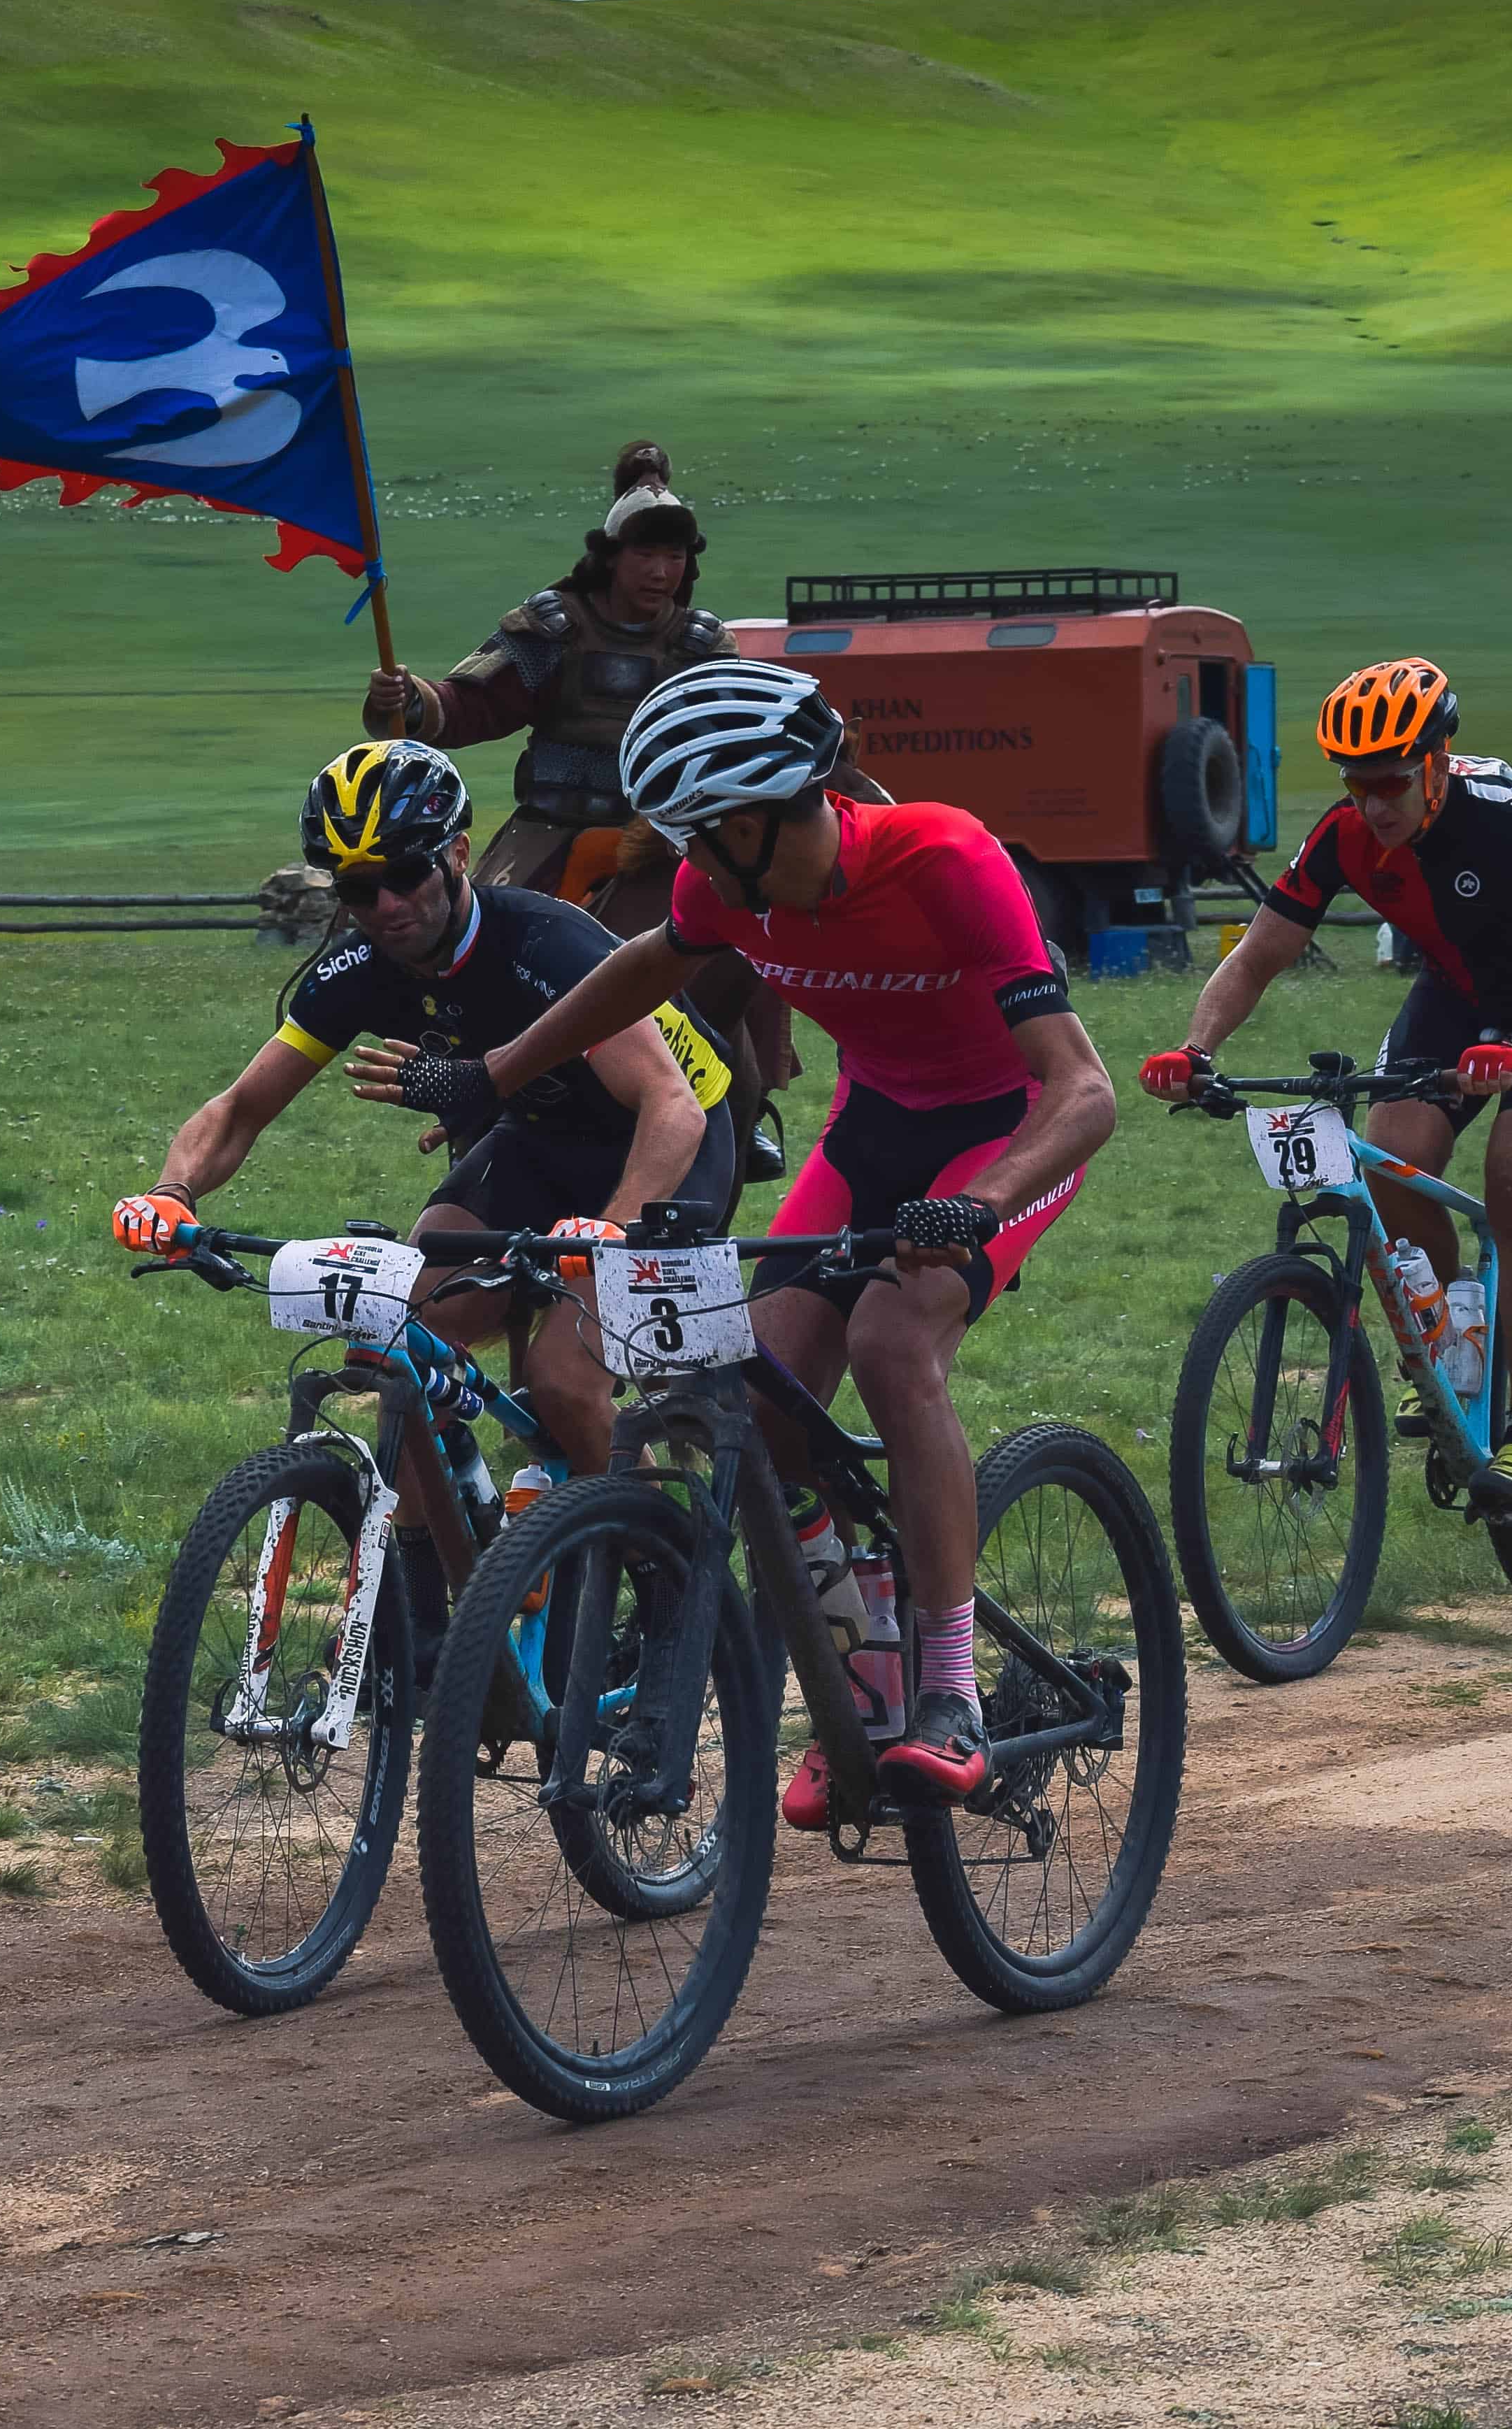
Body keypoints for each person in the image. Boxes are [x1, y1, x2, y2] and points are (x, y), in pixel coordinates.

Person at [361, 664, 1117, 1812]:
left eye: (704, 839)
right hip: (874, 1132)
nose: (691, 868)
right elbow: (635, 975)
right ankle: (861, 1665)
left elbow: (1086, 1092)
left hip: (1006, 1131)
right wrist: (494, 1073)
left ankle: (952, 1691)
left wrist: (982, 1203)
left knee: (892, 1343)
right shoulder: (731, 890)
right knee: (755, 1402)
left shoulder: (946, 859)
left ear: (771, 811)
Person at [110, 739, 733, 1593]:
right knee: (405, 1335)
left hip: (663, 1146)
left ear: (460, 855)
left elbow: (673, 1106)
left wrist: (615, 1227)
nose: (387, 905)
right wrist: (170, 1192)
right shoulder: (362, 965)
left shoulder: (544, 943)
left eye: (406, 875)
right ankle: (430, 1603)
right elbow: (240, 1107)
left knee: (561, 1375)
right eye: (358, 888)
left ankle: (664, 1583)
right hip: (542, 1138)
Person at [1141, 658, 1512, 1514]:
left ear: (1438, 762)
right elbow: (1256, 957)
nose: (1375, 805)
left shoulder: (1511, 824)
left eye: (1393, 782)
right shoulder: (1344, 837)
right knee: (1393, 1161)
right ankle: (1447, 1347)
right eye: (1358, 785)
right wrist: (1196, 1049)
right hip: (1456, 998)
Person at [361, 440, 800, 1155]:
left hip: (667, 833)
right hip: (555, 829)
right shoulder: (552, 628)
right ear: (611, 556)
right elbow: (472, 705)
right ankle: (463, 1070)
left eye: (676, 557)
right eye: (645, 555)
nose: (662, 572)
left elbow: (738, 739)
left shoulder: (704, 645)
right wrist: (411, 701)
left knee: (750, 928)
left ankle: (742, 1105)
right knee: (476, 931)